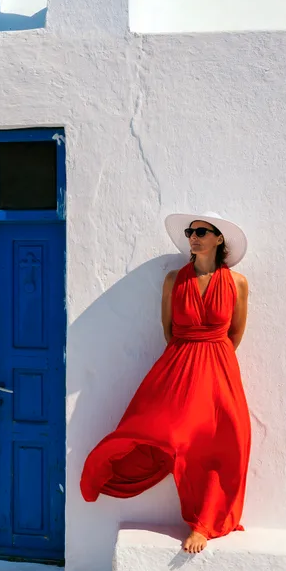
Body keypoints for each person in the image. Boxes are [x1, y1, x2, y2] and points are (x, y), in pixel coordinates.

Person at [80, 211, 251, 553]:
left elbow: (236, 332)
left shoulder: (237, 283)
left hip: (219, 366)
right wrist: (190, 353)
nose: (194, 236)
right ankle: (108, 472)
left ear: (219, 240)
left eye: (202, 231)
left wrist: (211, 357)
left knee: (225, 440)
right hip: (179, 362)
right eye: (191, 231)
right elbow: (168, 329)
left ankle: (204, 522)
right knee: (162, 431)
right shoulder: (175, 279)